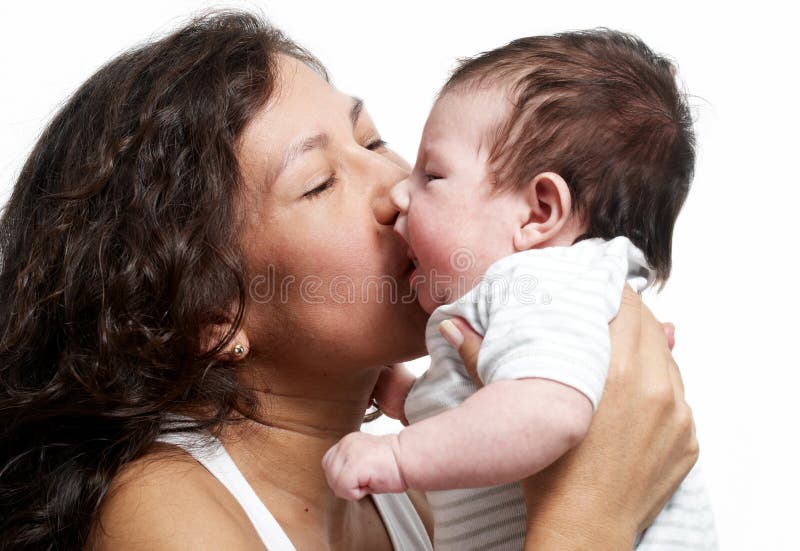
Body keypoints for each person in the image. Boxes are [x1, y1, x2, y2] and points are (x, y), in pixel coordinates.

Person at [0, 11, 698, 551]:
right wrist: (589, 512)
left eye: (370, 140)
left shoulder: (423, 492)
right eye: (320, 182)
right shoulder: (161, 511)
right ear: (215, 310)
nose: (397, 189)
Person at [322, 30, 717, 550]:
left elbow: (546, 412)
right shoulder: (534, 301)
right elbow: (493, 403)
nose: (399, 192)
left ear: (539, 213)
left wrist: (399, 454)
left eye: (432, 175)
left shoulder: (541, 280)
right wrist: (405, 397)